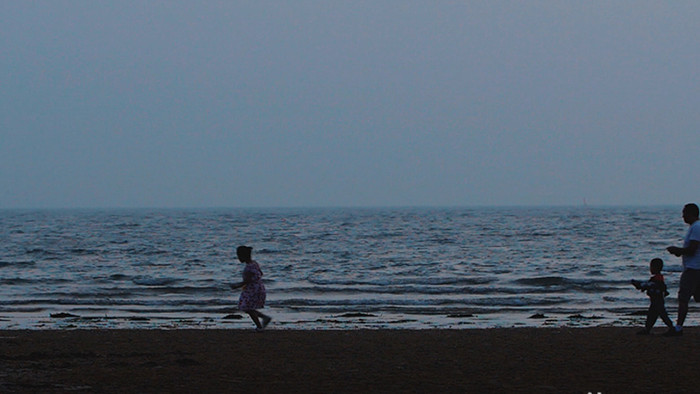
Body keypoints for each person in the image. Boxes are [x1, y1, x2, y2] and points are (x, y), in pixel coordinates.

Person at [666, 203, 700, 336]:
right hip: (695, 267)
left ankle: (678, 327)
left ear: (691, 214)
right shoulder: (695, 227)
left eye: (685, 213)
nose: (683, 216)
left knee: (683, 298)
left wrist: (677, 250)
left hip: (693, 268)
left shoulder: (696, 227)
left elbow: (692, 249)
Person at [231, 245, 271, 330]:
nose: (238, 258)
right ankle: (264, 319)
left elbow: (247, 281)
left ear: (243, 256)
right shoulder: (255, 263)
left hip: (252, 289)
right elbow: (261, 274)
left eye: (239, 256)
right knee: (248, 307)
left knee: (247, 307)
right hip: (259, 287)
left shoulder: (248, 268)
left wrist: (236, 286)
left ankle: (260, 325)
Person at [631, 258, 674, 335]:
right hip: (656, 301)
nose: (650, 268)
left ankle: (672, 328)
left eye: (651, 267)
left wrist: (640, 285)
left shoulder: (657, 278)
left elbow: (650, 285)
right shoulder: (658, 278)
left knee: (662, 315)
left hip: (657, 301)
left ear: (655, 267)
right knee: (652, 316)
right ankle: (647, 329)